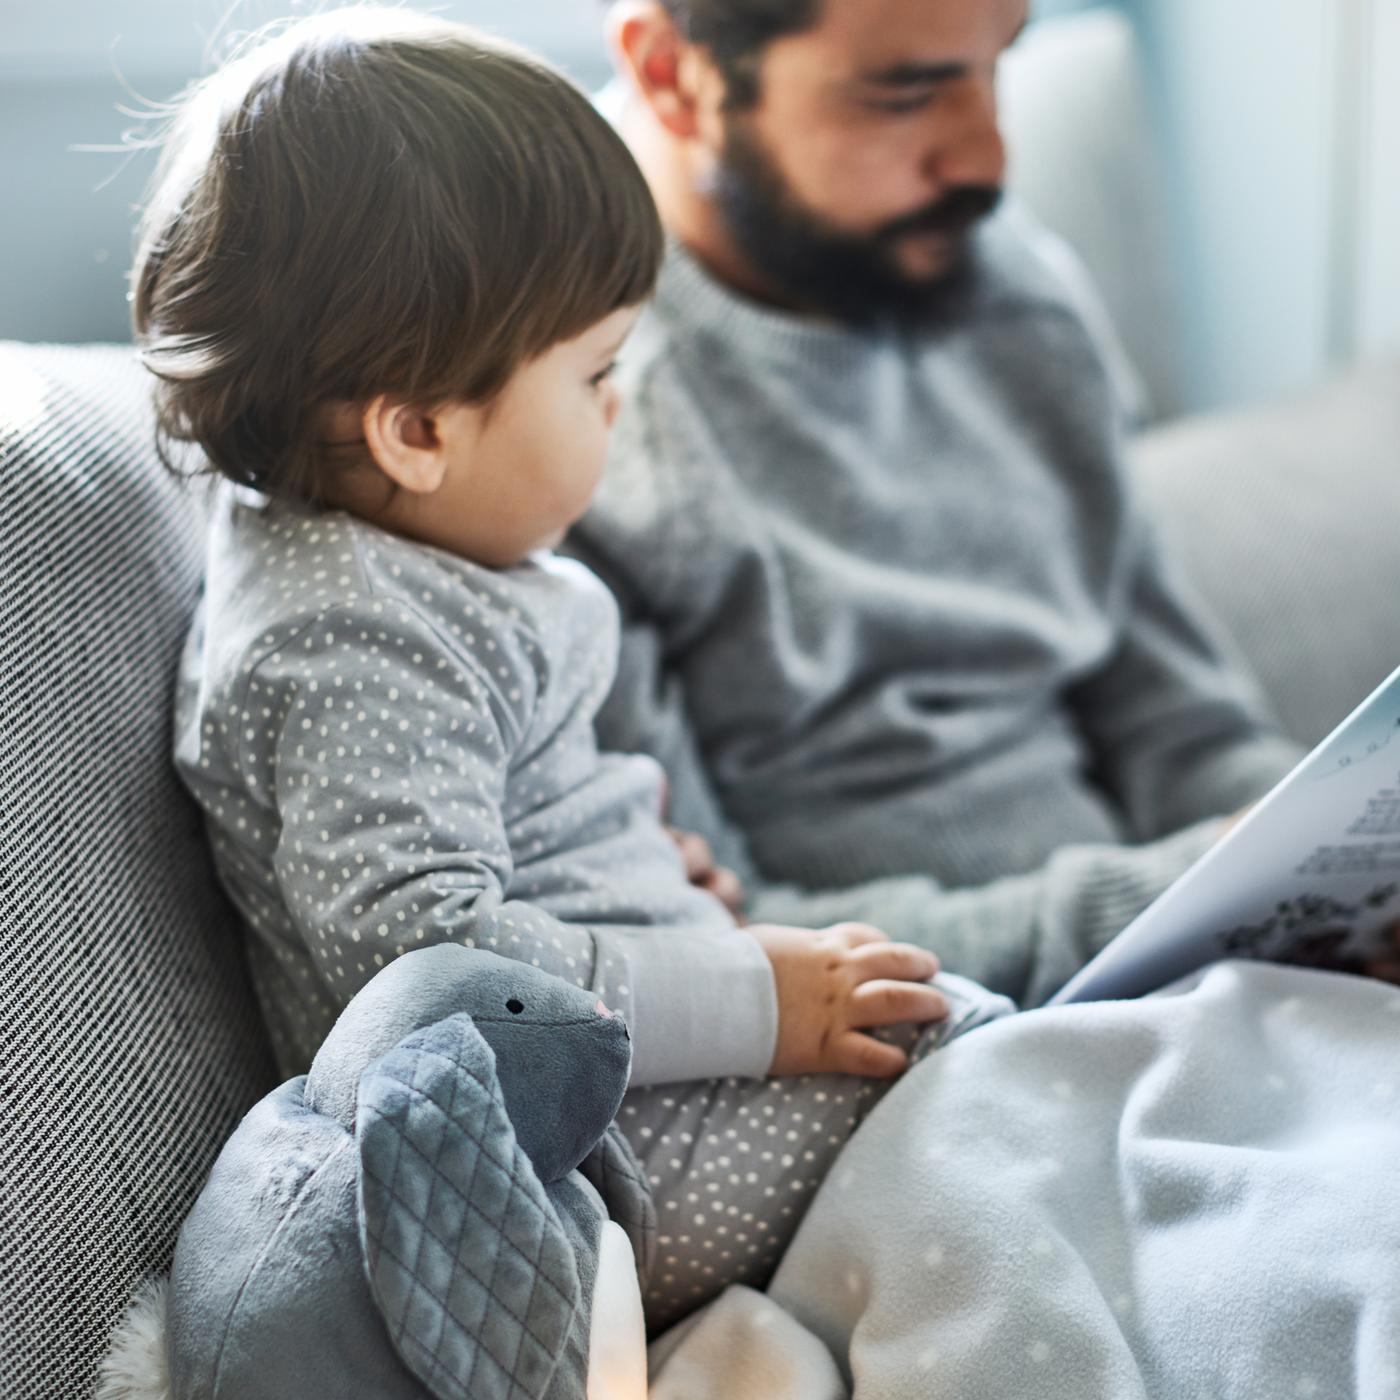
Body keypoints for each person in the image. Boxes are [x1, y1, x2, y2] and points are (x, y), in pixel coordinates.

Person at [136, 7, 991, 1331]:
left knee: (992, 1050)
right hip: (600, 1159)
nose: (616, 407)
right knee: (980, 1072)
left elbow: (507, 849)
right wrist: (750, 997)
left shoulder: (399, 565)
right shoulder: (343, 637)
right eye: (596, 373)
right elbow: (430, 960)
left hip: (649, 1102)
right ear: (417, 429)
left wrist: (654, 888)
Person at [567, 0, 1306, 1004]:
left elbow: (1184, 730)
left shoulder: (1017, 294)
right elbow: (715, 945)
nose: (985, 160)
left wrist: (1324, 853)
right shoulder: (560, 424)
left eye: (994, 65)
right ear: (669, 72)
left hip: (1179, 972)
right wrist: (1182, 899)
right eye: (902, 93)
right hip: (904, 1052)